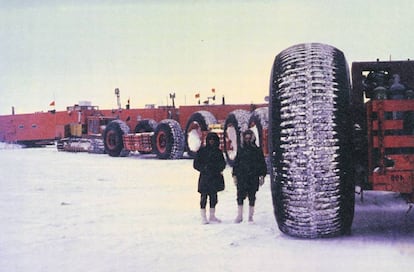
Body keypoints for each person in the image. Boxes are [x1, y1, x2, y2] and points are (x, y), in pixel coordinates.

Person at [232, 129, 267, 223]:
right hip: (241, 176)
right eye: (246, 137)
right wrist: (234, 175)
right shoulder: (241, 149)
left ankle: (250, 217)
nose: (247, 139)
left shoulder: (257, 150)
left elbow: (262, 164)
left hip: (253, 177)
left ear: (252, 138)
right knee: (240, 196)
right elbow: (236, 163)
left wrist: (262, 175)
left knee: (252, 196)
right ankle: (239, 216)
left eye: (249, 137)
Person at [193, 132, 226, 224]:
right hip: (205, 177)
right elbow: (196, 164)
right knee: (204, 197)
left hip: (215, 177)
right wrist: (203, 168)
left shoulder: (218, 152)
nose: (212, 141)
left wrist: (218, 168)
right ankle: (203, 217)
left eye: (213, 140)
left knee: (214, 197)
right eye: (210, 139)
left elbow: (223, 164)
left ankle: (212, 216)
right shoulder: (202, 151)